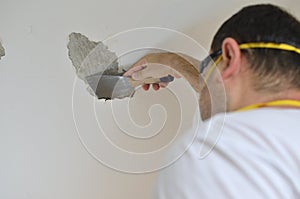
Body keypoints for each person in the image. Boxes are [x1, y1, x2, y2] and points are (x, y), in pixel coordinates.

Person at [124, 4, 300, 198]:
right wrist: (175, 62)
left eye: (207, 66)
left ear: (231, 56)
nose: (202, 82)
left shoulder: (222, 152)